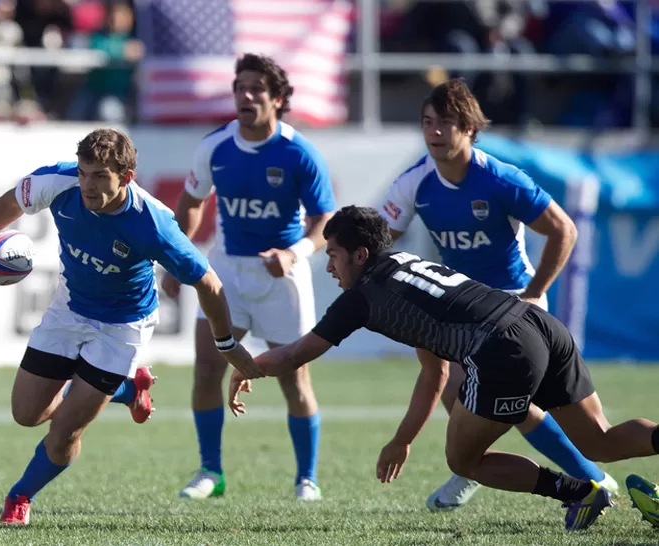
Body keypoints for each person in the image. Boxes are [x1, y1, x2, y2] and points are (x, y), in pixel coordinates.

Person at [228, 205, 659, 532]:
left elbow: (291, 355)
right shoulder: (408, 269)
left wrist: (240, 364)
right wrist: (402, 440)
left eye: (334, 255)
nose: (329, 265)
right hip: (540, 324)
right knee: (600, 441)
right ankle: (593, 480)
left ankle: (578, 490)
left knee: (463, 460)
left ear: (360, 254)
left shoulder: (363, 297)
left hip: (503, 349)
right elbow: (433, 374)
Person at [0, 128, 260, 527]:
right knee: (27, 414)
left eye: (100, 176)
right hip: (70, 309)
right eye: (84, 173)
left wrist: (225, 344)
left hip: (122, 326)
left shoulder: (152, 224)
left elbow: (210, 284)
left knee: (65, 432)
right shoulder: (57, 182)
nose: (87, 184)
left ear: (126, 177)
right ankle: (128, 389)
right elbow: (11, 203)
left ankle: (20, 495)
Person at [378, 78, 617, 511]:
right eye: (427, 123)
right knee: (465, 396)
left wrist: (536, 291)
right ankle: (477, 469)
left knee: (492, 399)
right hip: (462, 306)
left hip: (512, 305)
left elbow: (563, 229)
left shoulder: (501, 179)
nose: (433, 132)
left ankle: (589, 478)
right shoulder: (415, 183)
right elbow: (379, 243)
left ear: (469, 128)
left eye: (445, 123)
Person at [162, 53, 336, 501]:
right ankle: (210, 472)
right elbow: (193, 201)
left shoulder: (299, 153)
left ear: (277, 99)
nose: (247, 95)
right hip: (227, 273)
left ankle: (307, 479)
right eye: (241, 87)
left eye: (257, 88)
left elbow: (324, 221)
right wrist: (179, 261)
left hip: (282, 278)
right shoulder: (215, 146)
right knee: (206, 371)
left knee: (294, 380)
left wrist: (294, 253)